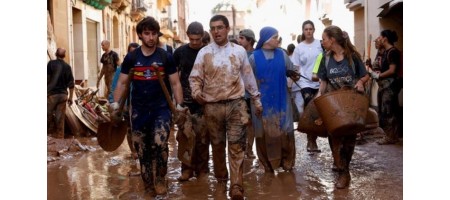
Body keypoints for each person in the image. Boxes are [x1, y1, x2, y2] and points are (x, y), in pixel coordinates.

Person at [189, 14, 263, 200]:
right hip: (212, 107)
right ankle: (222, 181)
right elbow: (195, 78)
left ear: (228, 29)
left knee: (237, 146)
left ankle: (237, 186)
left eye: (220, 27)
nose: (216, 31)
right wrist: (197, 93)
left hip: (236, 105)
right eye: (213, 28)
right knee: (218, 146)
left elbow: (248, 77)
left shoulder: (239, 51)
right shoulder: (204, 52)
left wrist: (256, 99)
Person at [112, 16, 184, 196]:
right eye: (147, 34)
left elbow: (175, 83)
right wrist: (115, 104)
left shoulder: (165, 57)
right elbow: (121, 83)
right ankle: (148, 184)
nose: (151, 37)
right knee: (141, 148)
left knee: (160, 143)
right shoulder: (131, 58)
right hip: (139, 109)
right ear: (140, 35)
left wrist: (180, 107)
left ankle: (160, 177)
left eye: (153, 34)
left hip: (161, 109)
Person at [316, 25, 369, 189]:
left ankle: (345, 168)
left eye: (324, 39)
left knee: (349, 140)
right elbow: (323, 82)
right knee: (335, 138)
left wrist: (360, 82)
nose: (322, 41)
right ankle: (342, 171)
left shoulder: (352, 57)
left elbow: (365, 75)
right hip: (334, 106)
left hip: (351, 104)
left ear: (332, 40)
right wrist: (318, 97)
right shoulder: (325, 58)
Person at [248, 26, 299, 174]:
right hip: (261, 104)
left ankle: (287, 164)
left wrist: (293, 73)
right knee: (263, 133)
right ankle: (267, 166)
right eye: (275, 37)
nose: (278, 39)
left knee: (286, 131)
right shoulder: (253, 58)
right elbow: (248, 83)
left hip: (282, 101)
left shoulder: (282, 55)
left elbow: (293, 72)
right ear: (266, 40)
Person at [173, 21, 210, 181]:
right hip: (185, 103)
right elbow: (173, 77)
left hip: (204, 103)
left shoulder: (209, 52)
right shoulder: (180, 52)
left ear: (202, 36)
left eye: (197, 39)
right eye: (192, 39)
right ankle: (186, 169)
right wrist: (177, 103)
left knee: (203, 138)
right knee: (185, 137)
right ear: (188, 36)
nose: (194, 42)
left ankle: (202, 170)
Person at [291, 20, 323, 153]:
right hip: (305, 82)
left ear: (314, 30)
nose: (308, 31)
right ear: (303, 31)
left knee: (321, 109)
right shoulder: (299, 48)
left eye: (310, 29)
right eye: (306, 29)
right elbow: (296, 67)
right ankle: (311, 140)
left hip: (320, 81)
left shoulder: (320, 44)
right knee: (310, 109)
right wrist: (293, 79)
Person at [368, 30, 401, 145]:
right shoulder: (386, 52)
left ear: (385, 38)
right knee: (384, 111)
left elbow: (392, 70)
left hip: (390, 85)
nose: (378, 39)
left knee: (389, 111)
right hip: (383, 85)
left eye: (380, 37)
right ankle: (390, 135)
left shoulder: (392, 52)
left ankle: (391, 137)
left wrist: (378, 75)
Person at [110, 42, 139, 160]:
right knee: (129, 128)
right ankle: (133, 151)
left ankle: (141, 150)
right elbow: (116, 85)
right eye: (131, 52)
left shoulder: (143, 67)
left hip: (141, 103)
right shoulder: (122, 68)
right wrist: (114, 102)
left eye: (135, 53)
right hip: (127, 104)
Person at [238, 28, 257, 159]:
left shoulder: (256, 55)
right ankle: (241, 148)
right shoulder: (237, 53)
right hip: (239, 94)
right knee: (241, 123)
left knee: (251, 123)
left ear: (249, 40)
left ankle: (249, 149)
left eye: (242, 38)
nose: (239, 41)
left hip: (253, 94)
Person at [47, 48, 75, 139]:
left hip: (52, 95)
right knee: (60, 118)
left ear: (55, 54)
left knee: (47, 115)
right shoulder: (67, 67)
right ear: (64, 56)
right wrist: (70, 98)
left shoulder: (51, 64)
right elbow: (71, 84)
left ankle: (47, 137)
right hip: (63, 95)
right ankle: (60, 138)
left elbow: (46, 79)